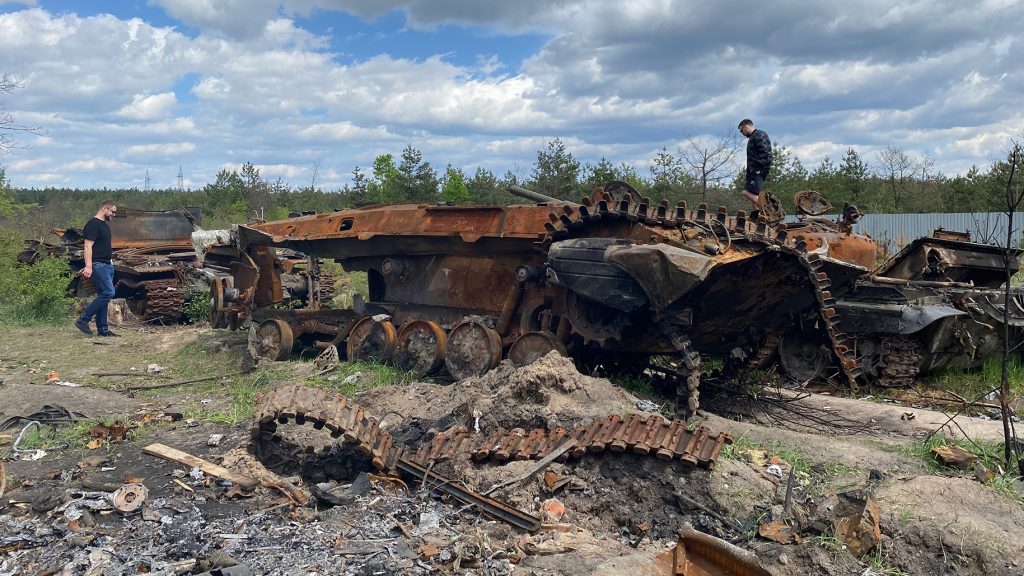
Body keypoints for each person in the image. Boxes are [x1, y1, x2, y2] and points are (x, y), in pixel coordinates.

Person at [74, 201, 120, 337]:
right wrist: (88, 266)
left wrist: (110, 261)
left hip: (107, 264)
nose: (114, 214)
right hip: (98, 265)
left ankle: (103, 330)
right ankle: (83, 320)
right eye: (113, 211)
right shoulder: (93, 225)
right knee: (108, 293)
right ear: (104, 209)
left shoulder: (104, 226)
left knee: (103, 296)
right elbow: (87, 246)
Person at [738, 119, 772, 210]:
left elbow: (766, 153)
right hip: (753, 171)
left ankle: (769, 210)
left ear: (745, 126)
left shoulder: (759, 134)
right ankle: (757, 215)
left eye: (742, 131)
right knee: (753, 193)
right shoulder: (754, 137)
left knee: (746, 192)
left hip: (757, 170)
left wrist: (760, 170)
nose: (742, 133)